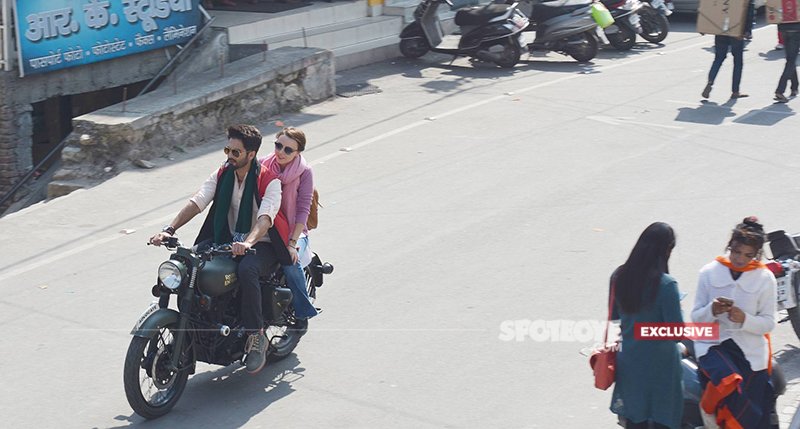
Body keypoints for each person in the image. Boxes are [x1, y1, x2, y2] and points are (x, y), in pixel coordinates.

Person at [149, 124, 286, 375]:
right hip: (224, 239)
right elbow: (198, 200)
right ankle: (195, 322)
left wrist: (248, 243)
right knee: (187, 262)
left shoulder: (269, 180)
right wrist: (169, 229)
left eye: (236, 152)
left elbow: (266, 219)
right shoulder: (223, 173)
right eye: (227, 150)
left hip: (262, 244)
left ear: (251, 155)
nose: (229, 156)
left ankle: (256, 337)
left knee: (247, 271)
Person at [691, 217, 777, 429]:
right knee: (728, 379)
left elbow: (768, 323)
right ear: (730, 246)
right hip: (714, 346)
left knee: (751, 417)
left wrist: (744, 319)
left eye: (748, 255)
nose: (740, 259)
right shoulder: (709, 272)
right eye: (737, 252)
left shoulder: (765, 279)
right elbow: (696, 317)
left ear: (756, 254)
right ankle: (707, 409)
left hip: (751, 353)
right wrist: (712, 310)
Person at [609, 222, 683, 429]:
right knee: (663, 421)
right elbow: (676, 332)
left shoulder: (618, 276)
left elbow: (614, 322)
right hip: (662, 369)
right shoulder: (667, 285)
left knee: (634, 422)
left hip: (629, 365)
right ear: (666, 251)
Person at [260, 127, 318, 321]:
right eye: (278, 146)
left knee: (289, 261)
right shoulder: (263, 165)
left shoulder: (305, 172)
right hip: (267, 227)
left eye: (288, 150)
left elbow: (303, 209)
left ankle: (304, 309)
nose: (280, 152)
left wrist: (292, 243)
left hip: (295, 232)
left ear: (298, 153)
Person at [702, 35, 748, 100]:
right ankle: (735, 92)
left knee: (718, 59)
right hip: (736, 34)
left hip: (721, 33)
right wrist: (747, 32)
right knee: (738, 63)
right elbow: (745, 24)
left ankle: (710, 81)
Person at [774, 22, 800, 103]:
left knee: (790, 59)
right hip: (796, 29)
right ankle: (780, 90)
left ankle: (794, 87)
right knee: (791, 61)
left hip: (783, 29)